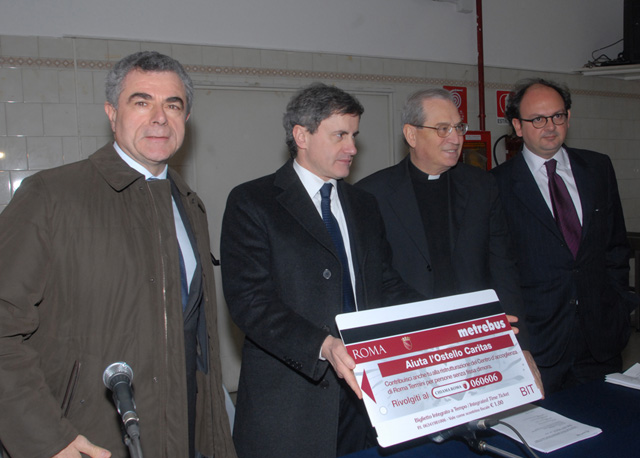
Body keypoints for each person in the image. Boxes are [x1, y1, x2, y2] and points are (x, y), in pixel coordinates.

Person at [0, 51, 236, 458]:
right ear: (112, 113)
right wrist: (47, 439)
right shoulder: (51, 196)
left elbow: (195, 341)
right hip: (85, 440)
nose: (159, 118)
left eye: (172, 105)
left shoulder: (188, 205)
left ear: (186, 118)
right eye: (141, 102)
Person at [220, 83, 424, 458]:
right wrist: (323, 345)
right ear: (302, 136)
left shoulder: (364, 205)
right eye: (340, 135)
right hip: (292, 404)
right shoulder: (253, 202)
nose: (353, 148)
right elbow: (251, 302)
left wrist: (451, 321)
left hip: (364, 400)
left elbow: (385, 284)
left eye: (354, 135)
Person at [356, 88, 542, 392]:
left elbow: (503, 269)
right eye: (442, 129)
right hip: (409, 351)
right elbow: (372, 285)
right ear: (411, 135)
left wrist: (520, 346)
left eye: (459, 127)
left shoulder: (482, 187)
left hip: (477, 346)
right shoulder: (371, 195)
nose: (455, 138)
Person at [491, 78, 638, 394]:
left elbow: (615, 246)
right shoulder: (495, 185)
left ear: (568, 117)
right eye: (537, 119)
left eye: (557, 116)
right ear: (517, 126)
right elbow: (498, 268)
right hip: (539, 344)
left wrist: (620, 304)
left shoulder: (597, 168)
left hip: (601, 339)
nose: (550, 126)